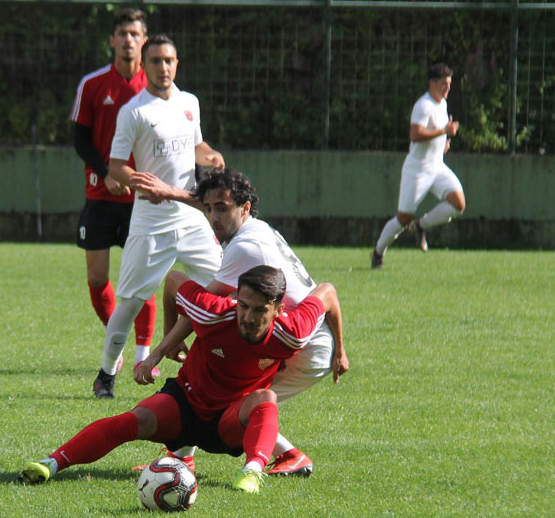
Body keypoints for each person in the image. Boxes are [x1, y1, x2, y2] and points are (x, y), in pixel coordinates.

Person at [18, 265, 342, 494]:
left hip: (228, 422)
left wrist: (340, 352)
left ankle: (253, 472)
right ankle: (52, 463)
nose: (247, 316)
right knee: (136, 418)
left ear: (277, 309)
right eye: (243, 306)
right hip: (184, 403)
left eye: (258, 310)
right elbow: (173, 280)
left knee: (265, 399)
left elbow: (327, 292)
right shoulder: (212, 311)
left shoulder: (293, 332)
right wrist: (166, 344)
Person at [152, 167, 348, 477]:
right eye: (209, 209)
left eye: (222, 208)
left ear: (244, 208)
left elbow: (204, 316)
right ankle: (181, 455)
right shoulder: (255, 229)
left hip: (303, 344)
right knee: (222, 391)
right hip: (307, 339)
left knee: (227, 400)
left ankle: (288, 456)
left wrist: (163, 346)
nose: (214, 218)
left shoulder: (245, 246)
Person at [91, 34, 225, 399]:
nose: (163, 67)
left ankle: (218, 363)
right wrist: (138, 183)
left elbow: (195, 146)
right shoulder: (134, 111)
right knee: (132, 301)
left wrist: (211, 155)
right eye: (155, 61)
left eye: (169, 60)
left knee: (224, 286)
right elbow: (116, 165)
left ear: (177, 63)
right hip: (151, 219)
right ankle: (106, 372)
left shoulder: (189, 103)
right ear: (144, 66)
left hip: (191, 215)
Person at [70, 8, 157, 374]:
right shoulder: (93, 85)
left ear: (144, 41)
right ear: (111, 40)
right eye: (121, 33)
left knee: (144, 281)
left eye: (134, 34)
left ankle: (142, 357)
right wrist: (105, 172)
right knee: (96, 278)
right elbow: (79, 139)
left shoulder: (154, 90)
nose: (127, 41)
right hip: (100, 196)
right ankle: (115, 337)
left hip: (140, 201)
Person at [372, 62, 466, 269]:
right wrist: (444, 131)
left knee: (458, 203)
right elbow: (415, 134)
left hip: (437, 166)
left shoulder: (442, 103)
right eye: (444, 84)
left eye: (449, 84)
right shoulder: (423, 105)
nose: (448, 88)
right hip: (418, 170)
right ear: (432, 84)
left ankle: (421, 226)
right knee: (403, 218)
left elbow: (434, 134)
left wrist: (443, 145)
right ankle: (378, 252)